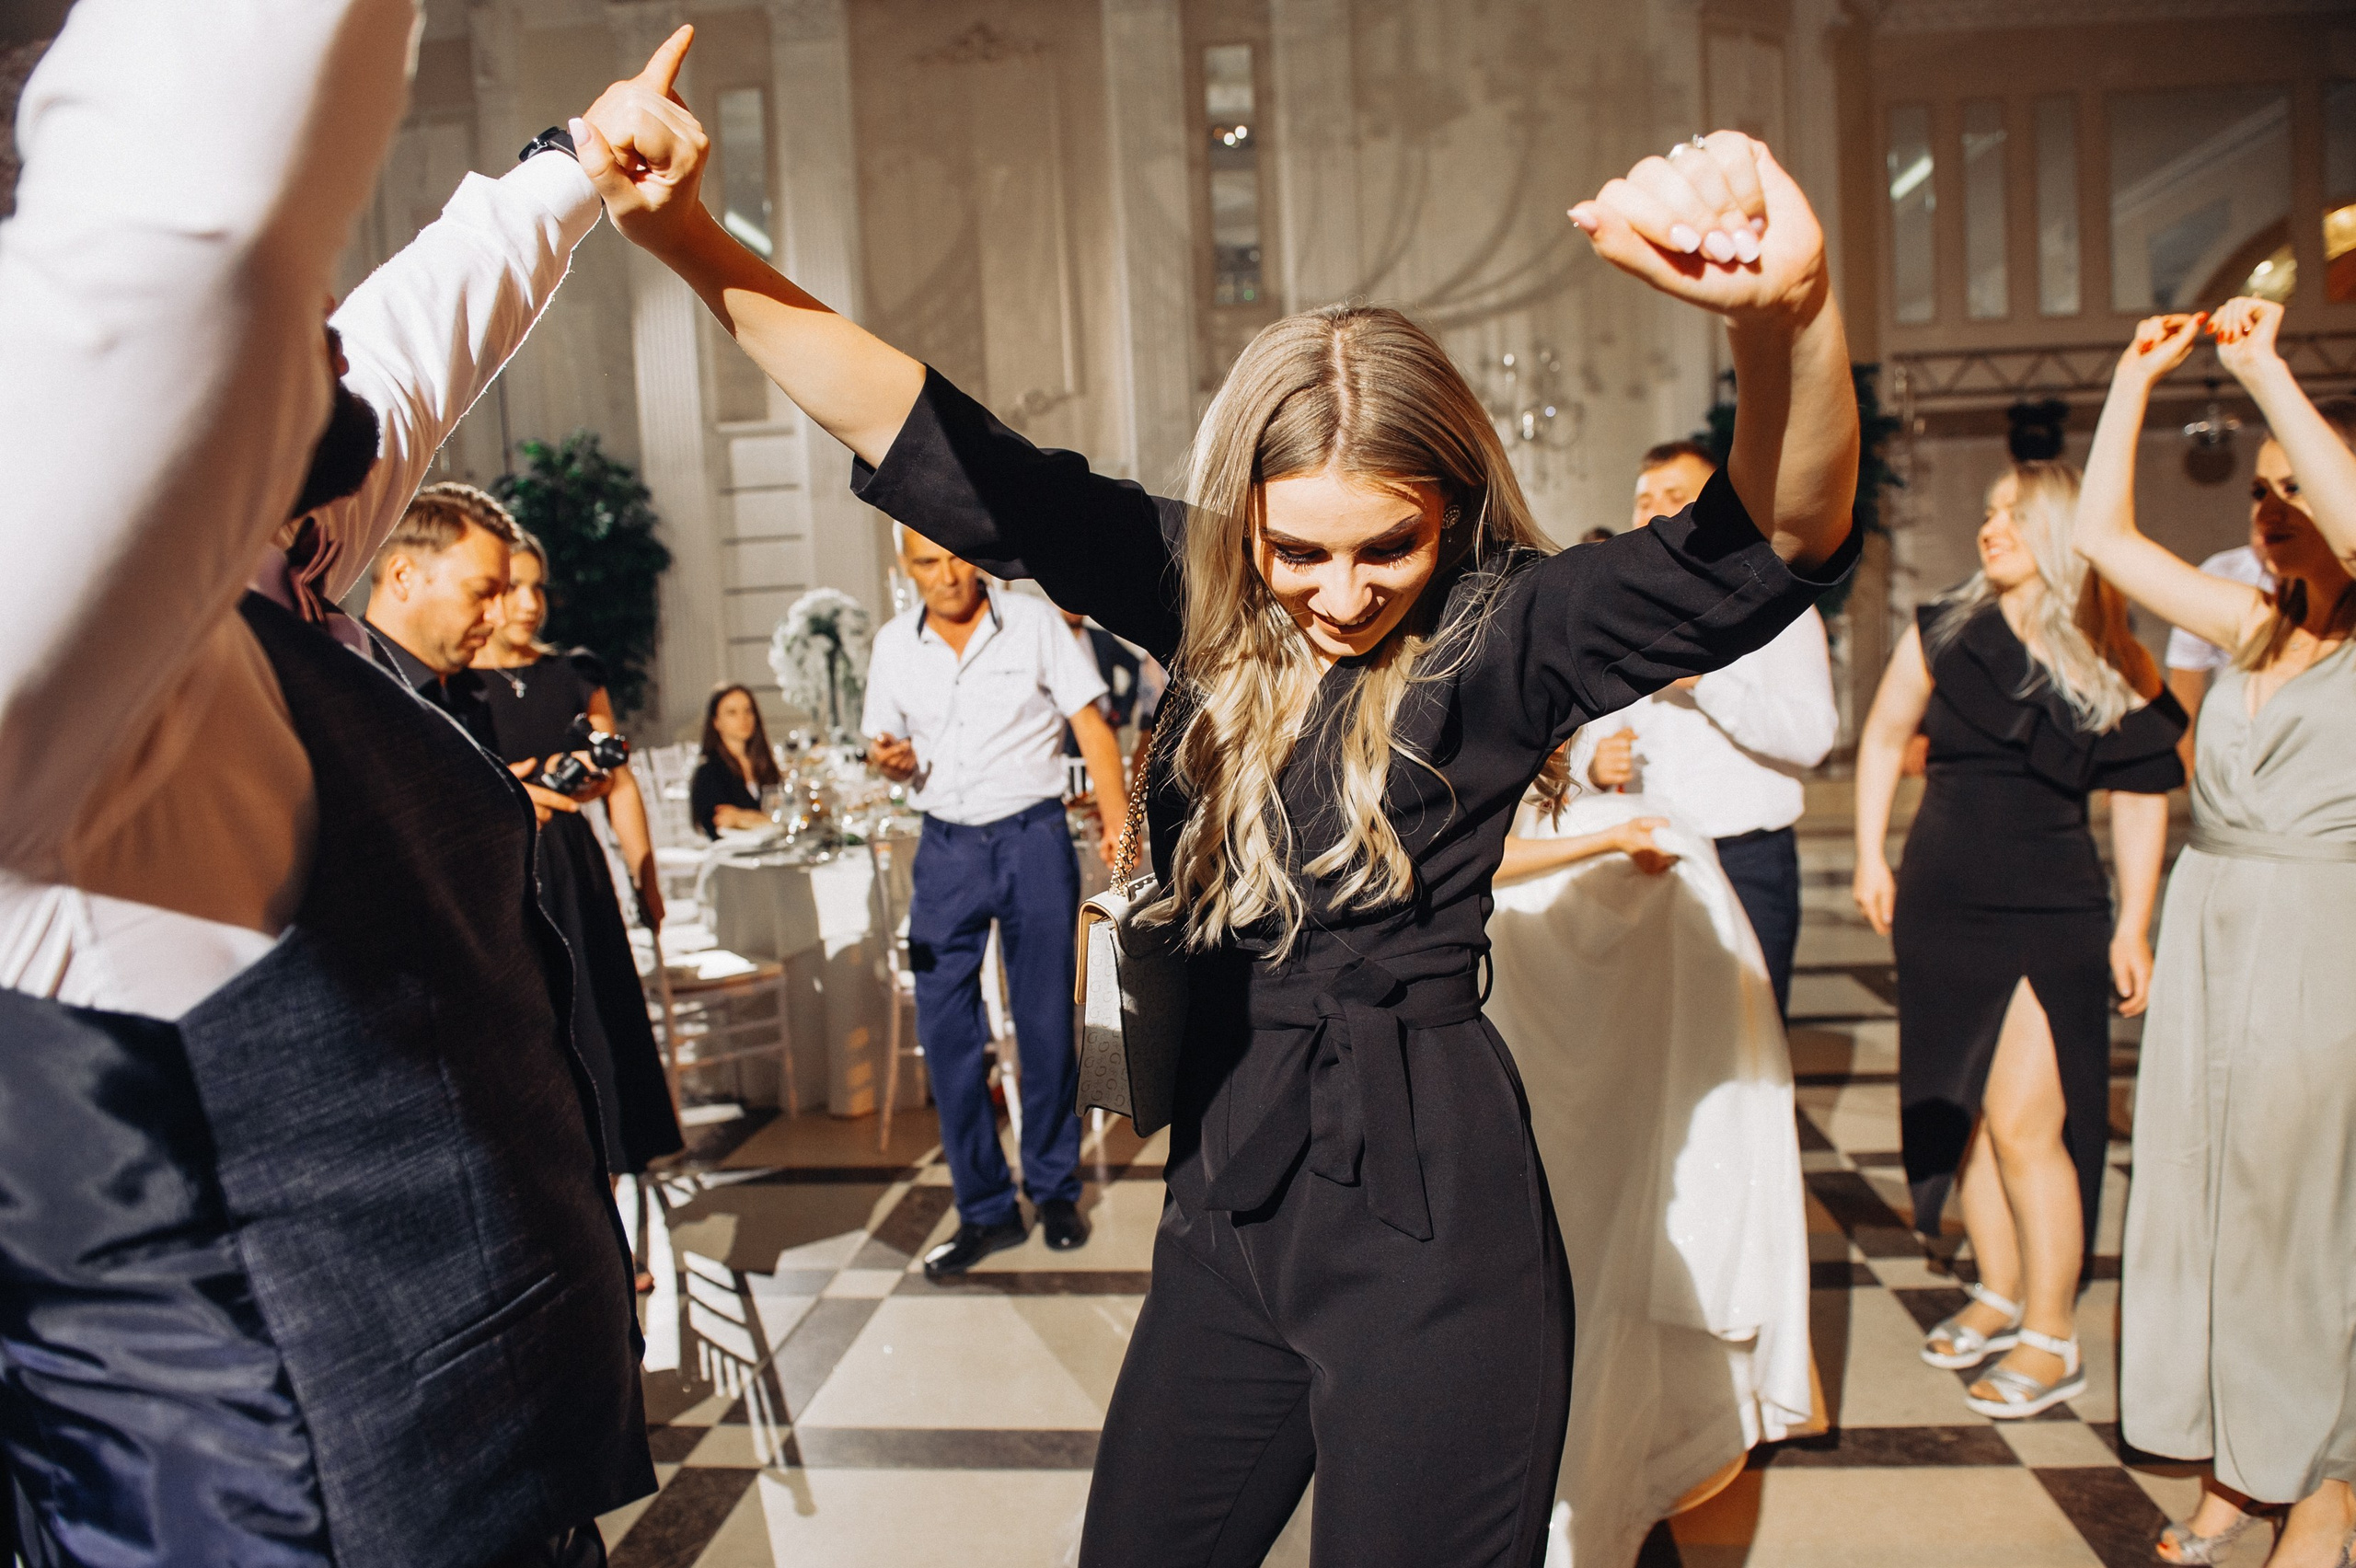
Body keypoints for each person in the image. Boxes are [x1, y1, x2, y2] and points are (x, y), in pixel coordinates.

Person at [585, 64, 1857, 1562]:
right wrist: (690, 240)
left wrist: (1787, 318)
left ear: (1451, 507)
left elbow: (1777, 534)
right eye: (1294, 550)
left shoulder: (1512, 629)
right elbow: (942, 442)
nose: (1339, 593)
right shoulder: (1202, 588)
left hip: (1431, 1215)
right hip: (1230, 1198)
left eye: (1387, 547)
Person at [0, 10, 699, 1564]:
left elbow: (395, 353)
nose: (327, 295)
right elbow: (202, 176)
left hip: (477, 1476)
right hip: (277, 1509)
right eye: (290, 273)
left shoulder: (263, 548)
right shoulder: (62, 650)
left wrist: (575, 170)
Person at [2076, 302, 2356, 1568]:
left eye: (2299, 487)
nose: (2271, 508)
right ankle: (2241, 1466)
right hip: (2213, 926)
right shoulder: (2251, 624)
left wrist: (2260, 369)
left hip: (2319, 939)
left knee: (2303, 1214)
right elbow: (2102, 538)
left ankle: (2325, 1483)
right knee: (2206, 1200)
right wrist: (2133, 381)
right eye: (2259, 490)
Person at [1852, 460, 2182, 1423]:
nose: (1990, 527)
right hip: (1942, 900)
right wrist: (1870, 854)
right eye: (1988, 511)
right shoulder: (1943, 630)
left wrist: (2135, 921)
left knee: (2029, 1122)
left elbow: (2141, 794)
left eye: (2012, 515)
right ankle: (1998, 1290)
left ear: (2061, 532)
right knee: (1966, 1110)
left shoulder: (2113, 653)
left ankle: (2052, 1332)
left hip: (2052, 909)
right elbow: (1883, 739)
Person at [1493, 779, 1815, 1568]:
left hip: (1523, 976)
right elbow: (1458, 848)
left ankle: (1569, 1486)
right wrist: (1607, 837)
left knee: (1583, 1239)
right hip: (1489, 982)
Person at [861, 525, 1128, 1274]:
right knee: (946, 1027)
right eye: (927, 563)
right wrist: (891, 762)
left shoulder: (1034, 623)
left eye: (955, 557)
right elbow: (882, 749)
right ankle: (984, 1209)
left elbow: (1091, 723)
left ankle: (1054, 1190)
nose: (947, 575)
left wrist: (1118, 822)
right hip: (944, 848)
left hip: (1032, 838)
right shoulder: (893, 646)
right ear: (905, 568)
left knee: (1044, 1022)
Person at [1569, 438, 1837, 1015]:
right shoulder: (1619, 615)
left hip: (1746, 859)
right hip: (1648, 855)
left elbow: (1812, 737)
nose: (1655, 512)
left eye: (1675, 496)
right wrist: (1592, 765)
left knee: (1751, 1031)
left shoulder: (1778, 610)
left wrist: (1704, 681)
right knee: (1659, 1034)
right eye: (1644, 501)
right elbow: (1583, 732)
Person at [471, 512, 686, 1185]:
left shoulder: (574, 673)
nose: (530, 603)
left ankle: (612, 1183)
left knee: (598, 1019)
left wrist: (645, 877)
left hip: (574, 865)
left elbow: (620, 782)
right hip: (504, 867)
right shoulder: (455, 686)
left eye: (538, 587)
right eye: (514, 587)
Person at [691, 683, 785, 837]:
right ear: (716, 722)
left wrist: (741, 818)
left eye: (748, 711)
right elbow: (719, 824)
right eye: (732, 712)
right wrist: (771, 821)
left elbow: (787, 814)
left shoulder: (764, 764)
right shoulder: (709, 771)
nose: (743, 718)